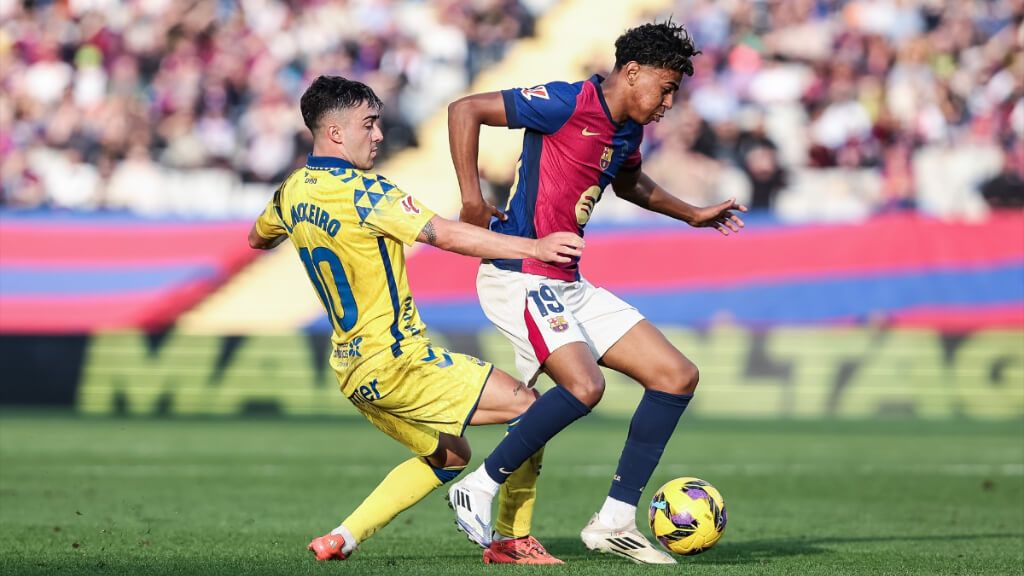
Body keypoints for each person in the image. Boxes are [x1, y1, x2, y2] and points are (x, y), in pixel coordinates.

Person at [248, 75, 585, 564]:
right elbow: (443, 234)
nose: (379, 134)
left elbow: (258, 238)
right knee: (531, 408)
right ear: (335, 132)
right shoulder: (365, 192)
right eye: (368, 124)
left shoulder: (291, 192)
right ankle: (513, 540)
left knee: (449, 456)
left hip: (352, 372)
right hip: (397, 359)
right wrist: (534, 247)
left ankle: (342, 537)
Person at [444, 21, 746, 564]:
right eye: (665, 88)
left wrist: (692, 214)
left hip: (566, 282)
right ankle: (479, 486)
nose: (669, 103)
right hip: (519, 272)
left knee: (676, 376)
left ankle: (615, 521)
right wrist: (471, 198)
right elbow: (465, 110)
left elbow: (628, 182)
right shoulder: (567, 102)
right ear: (631, 73)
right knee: (585, 387)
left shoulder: (627, 130)